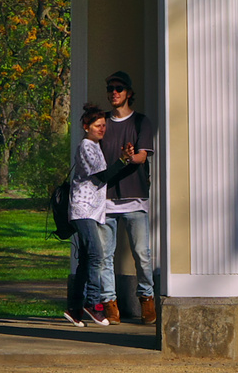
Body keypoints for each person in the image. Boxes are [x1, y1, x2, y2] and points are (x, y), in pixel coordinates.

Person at [98, 70, 157, 325]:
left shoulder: (140, 122)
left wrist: (129, 157)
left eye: (119, 88)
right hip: (105, 200)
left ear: (129, 93)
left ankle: (147, 299)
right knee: (103, 256)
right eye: (110, 88)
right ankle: (110, 304)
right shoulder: (101, 123)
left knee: (141, 254)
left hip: (135, 200)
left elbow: (142, 157)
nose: (114, 92)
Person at [64, 103, 125, 327]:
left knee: (86, 261)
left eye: (103, 126)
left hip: (92, 211)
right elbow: (101, 177)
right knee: (97, 256)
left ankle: (74, 309)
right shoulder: (86, 147)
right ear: (86, 126)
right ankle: (93, 304)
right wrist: (123, 161)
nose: (102, 129)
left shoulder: (96, 146)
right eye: (98, 125)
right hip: (82, 209)